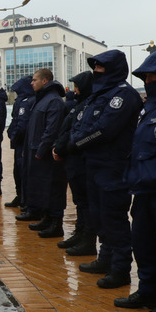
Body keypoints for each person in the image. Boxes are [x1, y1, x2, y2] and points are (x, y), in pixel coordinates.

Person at [69, 50, 143, 289]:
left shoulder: (123, 95)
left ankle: (120, 269)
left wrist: (78, 142)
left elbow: (105, 129)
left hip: (113, 166)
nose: (96, 71)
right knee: (99, 216)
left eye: (101, 67)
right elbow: (80, 124)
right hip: (93, 163)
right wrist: (78, 138)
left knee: (114, 218)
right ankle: (105, 258)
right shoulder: (96, 96)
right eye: (95, 67)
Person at [114, 48, 156, 312]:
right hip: (144, 189)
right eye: (145, 75)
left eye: (153, 74)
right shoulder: (152, 107)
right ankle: (148, 292)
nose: (148, 80)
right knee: (144, 245)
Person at [17, 69, 67, 236]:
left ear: (45, 81)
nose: (32, 83)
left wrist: (41, 150)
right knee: (40, 187)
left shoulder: (54, 101)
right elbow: (32, 128)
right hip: (34, 152)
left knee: (52, 188)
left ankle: (55, 222)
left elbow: (51, 130)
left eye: (34, 80)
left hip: (44, 155)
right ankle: (46, 218)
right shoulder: (41, 100)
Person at [52, 71, 96, 254]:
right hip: (71, 158)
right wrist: (58, 147)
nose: (75, 90)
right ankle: (80, 233)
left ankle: (88, 239)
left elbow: (79, 132)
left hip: (79, 159)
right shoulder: (77, 105)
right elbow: (65, 129)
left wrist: (64, 148)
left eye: (77, 86)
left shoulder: (88, 105)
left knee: (85, 202)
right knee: (79, 201)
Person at [4, 76, 35, 210]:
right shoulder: (22, 101)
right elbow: (15, 120)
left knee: (24, 172)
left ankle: (26, 199)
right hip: (19, 143)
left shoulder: (27, 101)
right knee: (17, 171)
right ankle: (20, 196)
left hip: (23, 143)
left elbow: (22, 124)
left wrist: (14, 135)